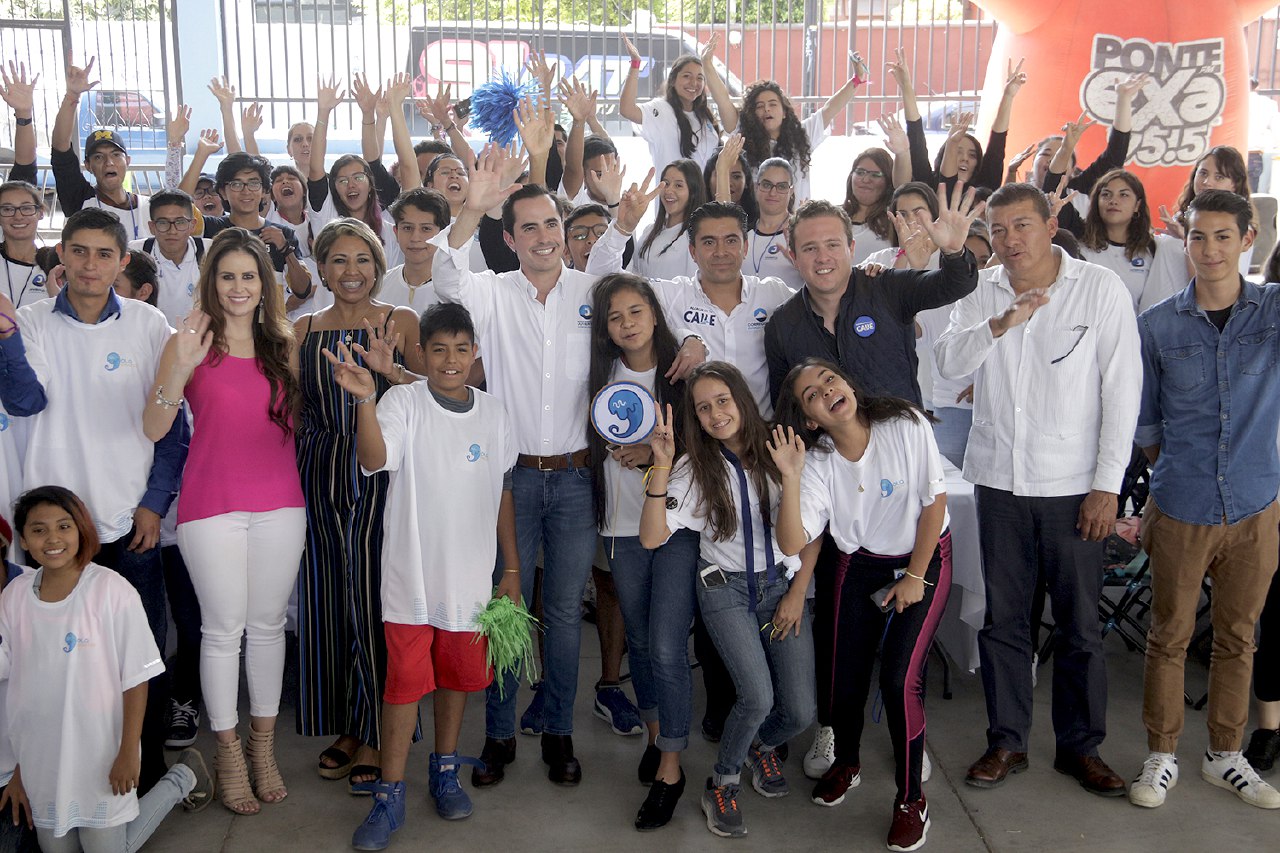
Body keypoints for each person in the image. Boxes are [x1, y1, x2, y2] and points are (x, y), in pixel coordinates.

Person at [430, 146, 709, 788]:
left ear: (562, 229)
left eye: (550, 224)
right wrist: (470, 208)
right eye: (526, 227)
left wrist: (696, 342)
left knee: (560, 614)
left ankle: (557, 730)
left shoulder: (594, 292)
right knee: (509, 606)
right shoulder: (491, 293)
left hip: (580, 478)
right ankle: (499, 733)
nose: (542, 236)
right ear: (510, 238)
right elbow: (447, 279)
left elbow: (652, 310)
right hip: (510, 480)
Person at [934, 182, 1140, 796]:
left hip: (1075, 488)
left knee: (1080, 626)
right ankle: (1007, 742)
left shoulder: (1097, 288)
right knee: (1004, 622)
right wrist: (1000, 324)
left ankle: (1081, 747)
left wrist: (1108, 487)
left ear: (1051, 224)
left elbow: (1122, 394)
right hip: (999, 482)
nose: (1009, 241)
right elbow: (947, 364)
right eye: (998, 231)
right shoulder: (982, 289)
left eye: (1021, 226)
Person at [0, 208, 187, 796]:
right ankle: (61, 777)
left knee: (142, 660)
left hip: (130, 526)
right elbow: (26, 402)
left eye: (104, 254)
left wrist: (154, 503)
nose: (89, 265)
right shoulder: (31, 322)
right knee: (53, 666)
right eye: (77, 251)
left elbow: (173, 423)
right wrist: (5, 338)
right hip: (52, 535)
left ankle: (148, 773)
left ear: (122, 261)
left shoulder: (149, 323)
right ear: (61, 255)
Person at [327, 302, 518, 848]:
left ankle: (444, 772)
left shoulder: (495, 413)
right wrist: (366, 399)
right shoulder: (404, 401)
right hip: (410, 581)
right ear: (421, 355)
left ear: (475, 353)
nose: (451, 360)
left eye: (461, 349)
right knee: (404, 686)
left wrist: (510, 568)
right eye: (439, 350)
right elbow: (373, 458)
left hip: (469, 583)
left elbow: (504, 490)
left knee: (456, 681)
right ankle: (389, 796)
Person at [142, 228, 305, 815]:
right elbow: (156, 428)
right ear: (211, 282)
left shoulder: (284, 343)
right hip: (211, 506)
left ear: (265, 285)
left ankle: (263, 750)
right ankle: (228, 752)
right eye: (227, 276)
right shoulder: (188, 341)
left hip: (283, 504)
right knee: (220, 630)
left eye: (249, 276)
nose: (238, 287)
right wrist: (176, 371)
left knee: (265, 628)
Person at [1129, 189, 1280, 810]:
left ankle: (1226, 755)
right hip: (1182, 505)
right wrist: (1183, 474)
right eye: (1198, 237)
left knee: (1239, 637)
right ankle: (1161, 755)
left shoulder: (1271, 313)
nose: (1210, 249)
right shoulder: (1158, 325)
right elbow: (1147, 427)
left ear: (1249, 240)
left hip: (1256, 507)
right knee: (1168, 636)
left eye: (1223, 236)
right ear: (1183, 241)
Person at [772, 358, 951, 853]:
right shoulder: (820, 462)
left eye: (829, 379)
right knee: (841, 678)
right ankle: (846, 763)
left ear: (848, 383)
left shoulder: (904, 423)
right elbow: (791, 541)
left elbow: (934, 503)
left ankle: (911, 799)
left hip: (924, 552)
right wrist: (790, 476)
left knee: (899, 680)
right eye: (812, 394)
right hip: (858, 564)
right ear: (810, 420)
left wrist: (915, 576)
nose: (827, 390)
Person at [639, 362, 816, 839]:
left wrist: (797, 591)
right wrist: (659, 465)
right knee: (756, 696)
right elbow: (653, 536)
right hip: (725, 590)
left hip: (780, 586)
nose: (716, 413)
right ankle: (724, 780)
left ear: (742, 398)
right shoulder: (697, 467)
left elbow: (805, 538)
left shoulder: (783, 450)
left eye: (722, 400)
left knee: (799, 711)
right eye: (703, 407)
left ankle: (760, 747)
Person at [0, 486, 213, 852]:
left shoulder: (111, 591)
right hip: (42, 765)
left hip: (100, 756)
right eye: (38, 530)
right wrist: (19, 768)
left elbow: (136, 678)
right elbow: (13, 685)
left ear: (82, 530)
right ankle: (182, 777)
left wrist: (129, 751)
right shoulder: (16, 596)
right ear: (23, 540)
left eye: (64, 526)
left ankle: (181, 778)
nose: (53, 538)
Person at [295, 219, 426, 793]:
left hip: (379, 470)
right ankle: (347, 724)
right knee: (329, 597)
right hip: (318, 473)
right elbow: (291, 407)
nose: (351, 272)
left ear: (379, 266)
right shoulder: (301, 329)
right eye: (338, 261)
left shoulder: (399, 320)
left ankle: (377, 730)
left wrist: (389, 371)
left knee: (376, 595)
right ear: (321, 269)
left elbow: (432, 387)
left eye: (363, 260)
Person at [586, 273, 699, 829]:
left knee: (667, 645)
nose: (627, 323)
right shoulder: (597, 376)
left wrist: (655, 458)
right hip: (620, 525)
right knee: (641, 639)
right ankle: (658, 736)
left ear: (656, 313)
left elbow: (709, 440)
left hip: (676, 524)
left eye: (636, 311)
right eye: (615, 316)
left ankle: (671, 771)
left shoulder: (683, 369)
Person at [764, 187, 982, 409]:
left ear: (851, 247)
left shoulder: (887, 286)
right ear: (794, 257)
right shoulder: (782, 325)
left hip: (902, 437)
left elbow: (956, 284)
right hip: (827, 443)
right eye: (810, 248)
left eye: (833, 245)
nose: (823, 258)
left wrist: (954, 252)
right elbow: (785, 407)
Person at [589, 195, 794, 415]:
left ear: (745, 248)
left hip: (764, 436)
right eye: (708, 242)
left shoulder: (773, 293)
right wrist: (623, 228)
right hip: (697, 441)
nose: (720, 251)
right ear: (693, 251)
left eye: (731, 240)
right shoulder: (672, 295)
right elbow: (601, 279)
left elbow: (822, 305)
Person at [733, 56, 870, 202]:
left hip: (797, 219)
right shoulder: (745, 141)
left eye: (773, 104)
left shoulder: (801, 135)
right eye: (760, 106)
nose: (767, 109)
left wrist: (856, 79)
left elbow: (830, 108)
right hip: (759, 220)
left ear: (785, 112)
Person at [887, 51, 1026, 192]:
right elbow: (916, 139)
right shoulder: (928, 184)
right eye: (958, 151)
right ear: (944, 154)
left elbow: (997, 143)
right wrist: (906, 87)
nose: (965, 158)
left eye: (972, 155)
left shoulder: (985, 185)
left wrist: (1008, 96)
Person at [50, 57, 151, 239]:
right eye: (98, 157)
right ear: (88, 165)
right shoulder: (80, 200)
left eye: (116, 155)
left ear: (127, 161)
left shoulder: (148, 206)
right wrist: (72, 97)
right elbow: (60, 148)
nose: (108, 162)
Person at [620, 33, 736, 171]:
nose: (694, 83)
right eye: (687, 76)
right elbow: (627, 109)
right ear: (673, 80)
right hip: (670, 192)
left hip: (704, 192)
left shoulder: (705, 115)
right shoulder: (661, 109)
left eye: (700, 78)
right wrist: (635, 64)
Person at [1078, 169, 1187, 314]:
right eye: (1106, 194)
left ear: (1137, 205)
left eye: (1123, 195)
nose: (1113, 201)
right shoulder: (1080, 247)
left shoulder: (1153, 249)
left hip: (1136, 334)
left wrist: (1184, 237)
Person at [1162, 146, 1256, 276]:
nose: (1207, 182)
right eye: (1203, 173)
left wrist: (1186, 238)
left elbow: (1210, 281)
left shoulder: (1237, 226)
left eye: (1219, 177)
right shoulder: (1182, 216)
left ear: (1235, 184)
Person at [128, 189, 209, 325]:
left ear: (192, 225)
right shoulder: (136, 253)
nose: (172, 231)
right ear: (152, 227)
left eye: (180, 222)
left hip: (200, 340)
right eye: (163, 223)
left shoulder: (209, 251)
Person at [633, 160, 706, 281]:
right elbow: (634, 271)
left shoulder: (695, 236)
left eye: (678, 185)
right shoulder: (649, 230)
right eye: (666, 184)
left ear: (693, 192)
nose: (668, 191)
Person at [382, 188, 449, 310]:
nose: (415, 238)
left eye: (426, 229)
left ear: (443, 234)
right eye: (407, 228)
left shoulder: (456, 290)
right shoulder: (381, 286)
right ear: (396, 232)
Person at [842, 148, 896, 265]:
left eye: (875, 175)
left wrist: (903, 152)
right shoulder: (834, 216)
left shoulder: (893, 219)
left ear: (888, 181)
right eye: (860, 172)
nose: (866, 180)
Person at [0, 183, 49, 310]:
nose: (18, 216)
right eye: (7, 209)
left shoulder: (54, 263)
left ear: (40, 213)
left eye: (26, 208)